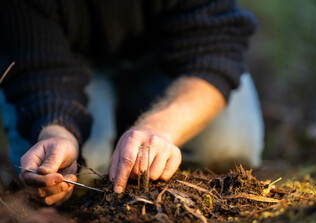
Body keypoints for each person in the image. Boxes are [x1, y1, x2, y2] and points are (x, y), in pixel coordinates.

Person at [0, 0, 263, 206]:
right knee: (74, 180)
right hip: (69, 67)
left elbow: (212, 52)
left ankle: (129, 129)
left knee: (228, 145)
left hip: (166, 57)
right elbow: (36, 71)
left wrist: (159, 127)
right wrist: (57, 130)